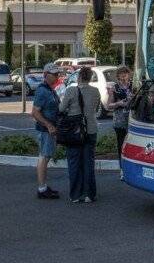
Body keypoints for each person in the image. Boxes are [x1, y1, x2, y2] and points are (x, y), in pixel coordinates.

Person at [59, 65, 101, 203]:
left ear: (78, 77)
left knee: (74, 162)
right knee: (88, 162)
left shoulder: (71, 90)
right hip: (91, 130)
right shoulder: (95, 91)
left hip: (74, 131)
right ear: (89, 78)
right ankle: (90, 194)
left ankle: (76, 194)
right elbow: (96, 108)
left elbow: (61, 108)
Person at [31, 63, 62, 200]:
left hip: (50, 129)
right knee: (44, 157)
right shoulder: (42, 90)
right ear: (45, 74)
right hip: (45, 131)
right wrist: (48, 125)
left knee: (45, 156)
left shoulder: (50, 90)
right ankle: (42, 189)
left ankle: (43, 187)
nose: (56, 76)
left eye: (57, 74)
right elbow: (35, 113)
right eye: (53, 74)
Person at [107, 65, 133, 178]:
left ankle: (132, 169)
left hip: (132, 120)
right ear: (117, 76)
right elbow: (109, 106)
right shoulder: (115, 88)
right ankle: (122, 169)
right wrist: (119, 103)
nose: (123, 76)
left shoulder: (134, 86)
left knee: (133, 145)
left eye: (125, 73)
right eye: (121, 74)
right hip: (120, 121)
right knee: (121, 145)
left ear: (129, 74)